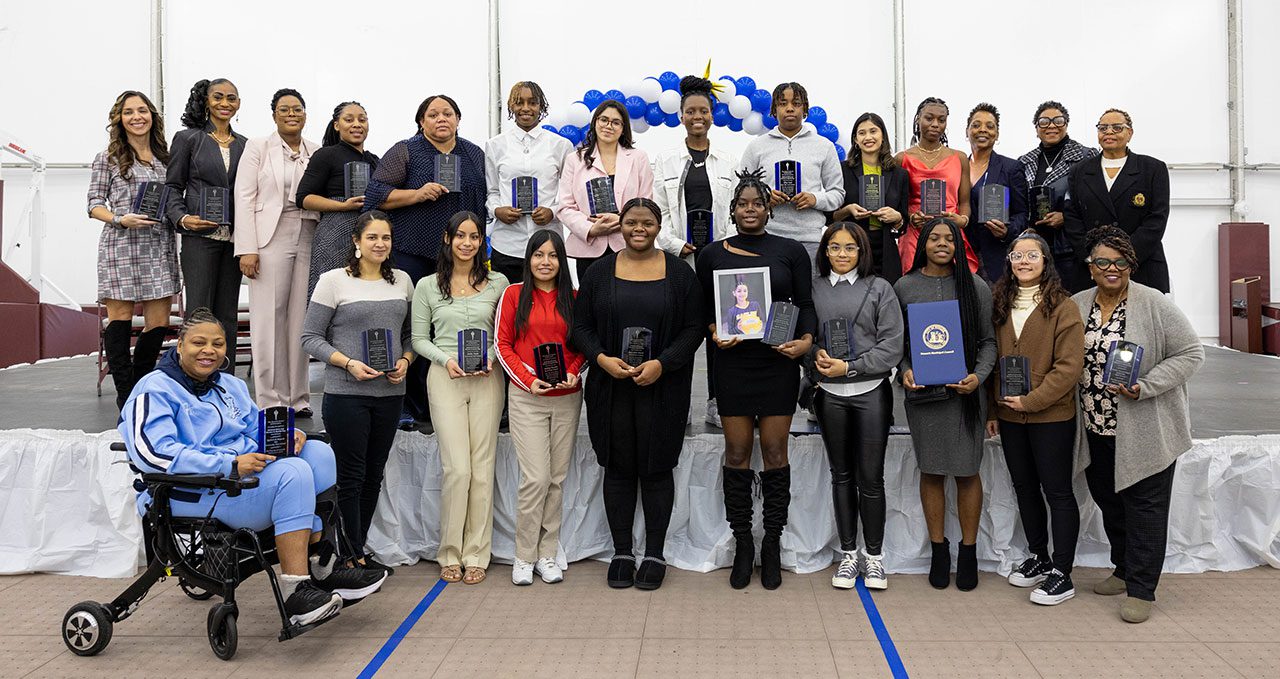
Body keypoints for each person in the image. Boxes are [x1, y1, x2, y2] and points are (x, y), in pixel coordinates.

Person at [120, 308, 387, 626]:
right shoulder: (154, 389)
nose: (210, 351)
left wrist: (289, 437)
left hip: (238, 482)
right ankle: (296, 592)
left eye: (218, 344)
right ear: (179, 346)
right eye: (199, 343)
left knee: (318, 453)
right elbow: (152, 454)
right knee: (293, 473)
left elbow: (252, 429)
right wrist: (228, 464)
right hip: (190, 490)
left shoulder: (228, 385)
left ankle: (325, 564)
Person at [572, 198, 703, 591]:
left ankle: (656, 553)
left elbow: (694, 328)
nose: (638, 229)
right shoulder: (598, 273)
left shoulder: (680, 275)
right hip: (611, 387)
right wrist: (600, 359)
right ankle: (622, 551)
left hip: (663, 387)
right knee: (619, 467)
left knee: (657, 468)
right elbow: (581, 327)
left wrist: (662, 363)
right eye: (631, 222)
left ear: (659, 226)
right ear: (620, 225)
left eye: (647, 222)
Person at [1073, 226, 1202, 623]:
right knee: (1109, 502)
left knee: (1145, 507)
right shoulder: (1078, 303)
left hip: (1146, 426)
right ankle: (1123, 569)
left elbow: (1191, 353)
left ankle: (1143, 589)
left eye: (1120, 262)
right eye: (1102, 261)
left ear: (1131, 264)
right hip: (1095, 426)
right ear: (1089, 266)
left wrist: (1146, 386)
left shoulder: (1154, 303)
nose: (1111, 268)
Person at [695, 170, 816, 590]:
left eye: (757, 203)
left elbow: (805, 304)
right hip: (733, 365)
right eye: (743, 204)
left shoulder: (791, 250)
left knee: (775, 450)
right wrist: (713, 329)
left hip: (778, 364)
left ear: (769, 208)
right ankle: (744, 542)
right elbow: (702, 310)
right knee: (737, 451)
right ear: (732, 209)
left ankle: (773, 544)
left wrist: (805, 342)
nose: (750, 209)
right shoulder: (712, 254)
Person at [364, 94, 487, 431]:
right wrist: (417, 194)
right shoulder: (406, 150)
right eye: (433, 114)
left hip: (459, 256)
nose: (441, 119)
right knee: (412, 328)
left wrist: (480, 250)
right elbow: (376, 197)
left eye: (448, 113)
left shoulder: (473, 153)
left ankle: (442, 403)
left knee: (448, 328)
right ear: (421, 121)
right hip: (413, 252)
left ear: (458, 119)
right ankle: (406, 403)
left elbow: (481, 202)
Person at [301, 211, 413, 569]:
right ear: (356, 241)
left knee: (372, 476)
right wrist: (347, 362)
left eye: (386, 238)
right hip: (346, 395)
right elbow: (309, 338)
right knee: (350, 478)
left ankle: (358, 550)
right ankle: (348, 555)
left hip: (390, 395)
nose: (380, 244)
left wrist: (406, 361)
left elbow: (409, 336)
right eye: (372, 238)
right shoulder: (333, 281)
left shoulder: (402, 282)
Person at [894, 217, 995, 591]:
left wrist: (978, 377)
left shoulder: (976, 286)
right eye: (934, 237)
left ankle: (968, 551)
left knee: (968, 472)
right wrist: (904, 370)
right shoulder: (904, 287)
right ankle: (939, 549)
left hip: (964, 395)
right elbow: (899, 344)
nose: (941, 243)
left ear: (958, 245)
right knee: (932, 471)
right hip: (923, 397)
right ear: (922, 242)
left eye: (949, 238)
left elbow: (989, 342)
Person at [984, 232, 1084, 605]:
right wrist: (996, 409)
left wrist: (1032, 401)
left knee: (1057, 491)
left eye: (1032, 255)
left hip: (1051, 416)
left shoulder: (1064, 306)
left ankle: (1062, 571)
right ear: (1009, 262)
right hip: (1010, 417)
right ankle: (1039, 556)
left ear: (1045, 261)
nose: (1024, 261)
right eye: (1017, 255)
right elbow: (995, 362)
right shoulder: (1000, 302)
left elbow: (1069, 367)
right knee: (1024, 488)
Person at [411, 211, 508, 585]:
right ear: (447, 239)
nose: (467, 243)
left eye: (474, 237)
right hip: (445, 377)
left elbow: (505, 333)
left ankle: (476, 553)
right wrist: (446, 360)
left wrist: (492, 358)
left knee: (482, 468)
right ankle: (449, 551)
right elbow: (419, 339)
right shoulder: (427, 286)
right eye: (461, 236)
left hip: (488, 378)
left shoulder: (498, 283)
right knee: (458, 469)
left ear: (482, 242)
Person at [808, 222, 903, 590]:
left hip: (870, 393)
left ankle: (874, 558)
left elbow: (892, 345)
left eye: (850, 248)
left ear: (862, 252)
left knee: (871, 479)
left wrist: (851, 366)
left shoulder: (880, 289)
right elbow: (806, 336)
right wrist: (817, 357)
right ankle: (848, 555)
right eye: (835, 247)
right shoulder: (813, 288)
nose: (842, 254)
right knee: (841, 477)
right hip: (830, 396)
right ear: (825, 250)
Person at [494, 230, 585, 586]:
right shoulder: (513, 295)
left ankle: (547, 554)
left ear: (562, 261)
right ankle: (523, 555)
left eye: (552, 255)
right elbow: (503, 345)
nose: (545, 262)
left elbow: (581, 346)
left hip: (566, 399)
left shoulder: (575, 299)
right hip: (526, 397)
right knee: (535, 478)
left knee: (557, 480)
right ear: (528, 259)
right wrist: (528, 379)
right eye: (538, 255)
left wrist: (574, 373)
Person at [652, 75, 739, 427]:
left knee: (721, 333)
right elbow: (658, 210)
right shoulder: (667, 160)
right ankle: (680, 404)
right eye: (691, 111)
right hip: (681, 260)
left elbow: (737, 210)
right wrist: (674, 244)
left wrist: (725, 246)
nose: (697, 116)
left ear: (712, 115)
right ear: (682, 116)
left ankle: (716, 403)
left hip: (719, 258)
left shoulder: (727, 160)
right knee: (682, 334)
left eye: (703, 110)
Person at [87, 90, 179, 409]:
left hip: (158, 244)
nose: (136, 117)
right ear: (119, 119)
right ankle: (125, 398)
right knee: (121, 320)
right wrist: (119, 219)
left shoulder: (168, 157)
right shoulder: (107, 158)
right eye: (129, 112)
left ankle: (143, 391)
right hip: (120, 245)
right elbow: (94, 204)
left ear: (152, 115)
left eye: (142, 110)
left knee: (158, 322)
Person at [234, 88, 320, 415]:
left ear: (305, 114)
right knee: (269, 317)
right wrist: (247, 249)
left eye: (297, 108)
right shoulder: (257, 147)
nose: (291, 114)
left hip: (310, 232)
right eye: (284, 109)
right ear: (274, 115)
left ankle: (298, 399)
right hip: (269, 236)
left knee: (302, 318)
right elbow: (244, 197)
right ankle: (270, 399)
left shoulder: (316, 150)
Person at [165, 78, 247, 357]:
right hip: (198, 237)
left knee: (228, 315)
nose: (225, 103)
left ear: (239, 104)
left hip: (233, 239)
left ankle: (225, 382)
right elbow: (173, 187)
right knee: (199, 312)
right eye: (219, 97)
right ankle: (192, 381)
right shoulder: (188, 138)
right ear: (206, 101)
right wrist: (183, 219)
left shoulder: (245, 145)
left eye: (232, 98)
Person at [1064, 110, 1171, 293]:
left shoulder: (1153, 169)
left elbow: (1156, 219)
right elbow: (1072, 217)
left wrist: (1123, 256)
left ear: (1130, 133)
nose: (1109, 132)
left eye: (1117, 127)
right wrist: (1095, 257)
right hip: (1092, 266)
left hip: (1140, 264)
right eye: (1103, 128)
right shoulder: (1079, 171)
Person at [739, 82, 844, 260]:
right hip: (767, 237)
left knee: (808, 288)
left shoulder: (824, 146)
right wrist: (763, 199)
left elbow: (838, 194)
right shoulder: (756, 146)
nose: (789, 109)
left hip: (810, 241)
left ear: (805, 110)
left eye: (796, 103)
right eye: (782, 103)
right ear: (774, 110)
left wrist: (815, 199)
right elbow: (740, 190)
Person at [485, 81, 574, 285]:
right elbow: (492, 191)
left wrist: (552, 210)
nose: (525, 108)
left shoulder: (560, 145)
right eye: (519, 103)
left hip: (548, 244)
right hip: (507, 244)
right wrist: (497, 210)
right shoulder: (495, 145)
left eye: (532, 103)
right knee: (509, 306)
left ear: (541, 107)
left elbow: (570, 194)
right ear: (511, 106)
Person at [556, 100, 654, 282]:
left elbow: (647, 203)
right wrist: (591, 228)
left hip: (629, 245)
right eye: (604, 120)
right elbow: (565, 207)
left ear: (623, 128)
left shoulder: (639, 158)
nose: (609, 126)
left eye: (616, 122)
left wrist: (624, 221)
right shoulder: (574, 160)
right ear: (595, 122)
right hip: (589, 249)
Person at [297, 101, 380, 301]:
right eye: (349, 120)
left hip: (369, 232)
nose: (357, 124)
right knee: (329, 295)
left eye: (362, 119)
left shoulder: (374, 160)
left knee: (364, 296)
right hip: (335, 230)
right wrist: (342, 206)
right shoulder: (326, 154)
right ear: (337, 125)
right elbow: (303, 198)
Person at [1017, 101, 1097, 293]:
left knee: (1071, 303)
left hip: (1070, 248)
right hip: (1036, 248)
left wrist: (1065, 217)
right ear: (1036, 128)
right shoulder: (1024, 161)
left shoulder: (1087, 156)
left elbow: (1093, 203)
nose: (1051, 125)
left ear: (1066, 124)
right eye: (1044, 121)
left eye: (1058, 120)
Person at [895, 97, 979, 275]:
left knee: (954, 289)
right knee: (915, 289)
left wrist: (962, 220)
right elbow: (898, 203)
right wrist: (911, 217)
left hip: (949, 232)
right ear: (918, 119)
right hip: (915, 233)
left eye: (941, 120)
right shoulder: (902, 158)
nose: (935, 124)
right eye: (929, 118)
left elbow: (964, 202)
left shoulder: (960, 158)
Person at [827, 112, 908, 282]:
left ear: (883, 136)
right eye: (862, 133)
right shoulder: (842, 170)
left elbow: (904, 223)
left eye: (873, 131)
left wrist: (897, 217)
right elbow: (829, 218)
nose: (868, 137)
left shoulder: (899, 174)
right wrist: (848, 210)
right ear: (855, 140)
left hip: (886, 247)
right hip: (852, 245)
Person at [964, 103, 1029, 283]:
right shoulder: (957, 166)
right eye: (976, 125)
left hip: (994, 259)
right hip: (960, 254)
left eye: (990, 126)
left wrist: (1006, 232)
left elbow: (1022, 214)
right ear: (967, 131)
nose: (982, 130)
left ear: (997, 134)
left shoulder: (1011, 168)